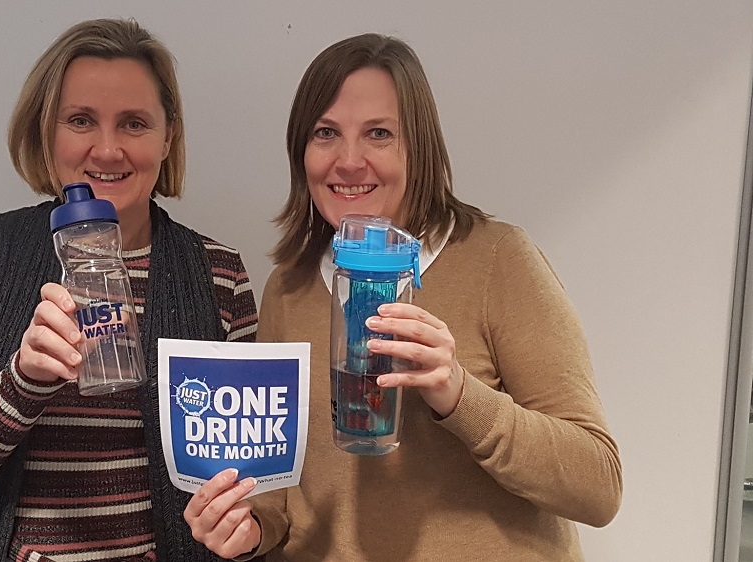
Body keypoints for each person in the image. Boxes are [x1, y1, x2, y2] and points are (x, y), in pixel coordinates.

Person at [183, 33, 622, 561]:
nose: (348, 160)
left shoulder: (497, 261)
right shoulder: (289, 287)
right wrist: (247, 530)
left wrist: (459, 394)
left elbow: (598, 487)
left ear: (419, 147)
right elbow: (280, 496)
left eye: (379, 134)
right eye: (325, 133)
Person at [0, 19, 258, 562]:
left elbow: (248, 478)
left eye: (134, 123)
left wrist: (244, 535)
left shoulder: (219, 273)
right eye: (81, 120)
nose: (107, 149)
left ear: (168, 138)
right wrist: (23, 382)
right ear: (48, 131)